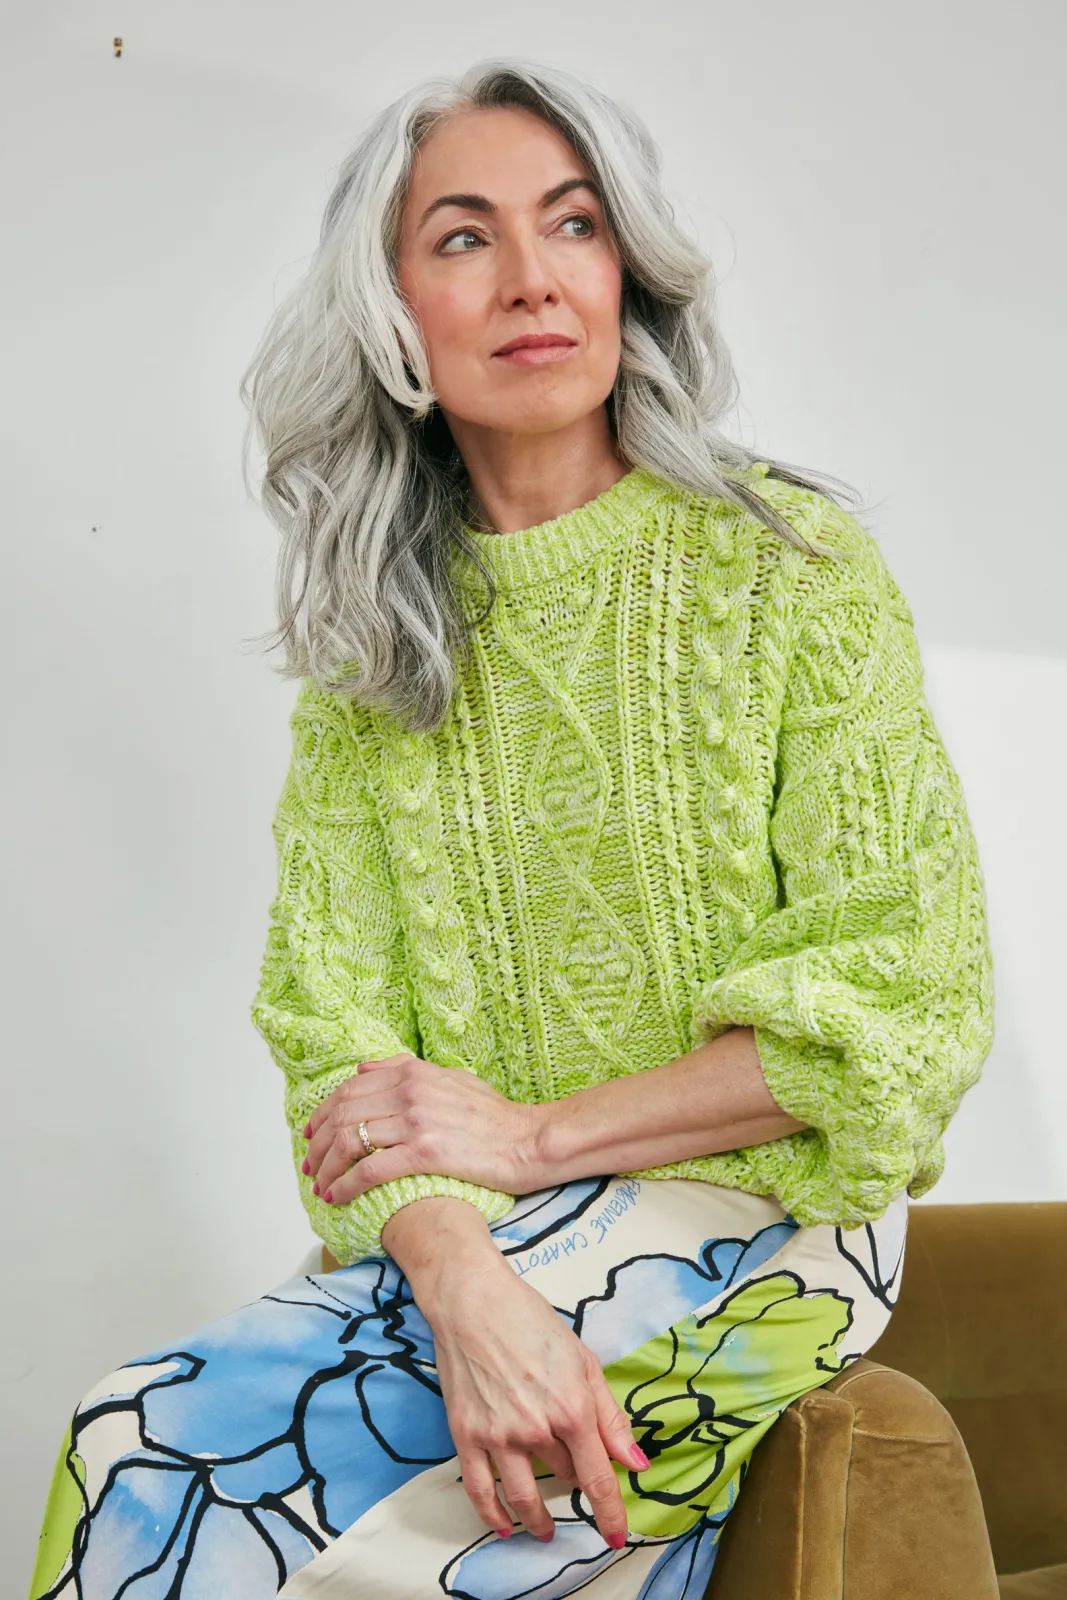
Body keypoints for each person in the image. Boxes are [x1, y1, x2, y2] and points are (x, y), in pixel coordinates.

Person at [29, 56, 995, 1600]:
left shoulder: (789, 571)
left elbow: (900, 1003)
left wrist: (537, 1135)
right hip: (477, 1245)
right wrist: (467, 1285)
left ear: (628, 273)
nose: (533, 277)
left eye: (574, 223)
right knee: (123, 1444)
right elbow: (339, 1054)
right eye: (465, 237)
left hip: (768, 1226)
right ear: (391, 313)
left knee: (177, 1476)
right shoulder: (371, 663)